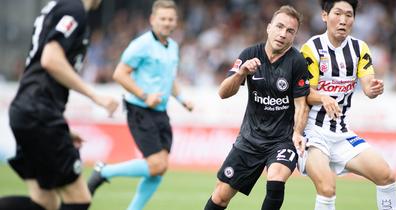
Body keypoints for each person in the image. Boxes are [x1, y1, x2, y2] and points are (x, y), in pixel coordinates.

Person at [0, 0, 118, 210]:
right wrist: (95, 96)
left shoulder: (58, 6)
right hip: (38, 111)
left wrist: (60, 127)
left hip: (28, 110)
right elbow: (50, 59)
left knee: (46, 203)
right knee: (79, 199)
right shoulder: (74, 10)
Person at [87, 1, 193, 210]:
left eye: (170, 19)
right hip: (140, 109)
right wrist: (144, 96)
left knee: (159, 169)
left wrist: (182, 100)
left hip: (160, 112)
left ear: (175, 22)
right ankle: (104, 171)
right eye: (162, 18)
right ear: (152, 20)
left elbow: (169, 79)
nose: (166, 22)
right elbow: (119, 73)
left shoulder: (173, 47)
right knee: (156, 164)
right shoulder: (141, 44)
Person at [203, 5, 310, 210]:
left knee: (276, 179)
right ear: (269, 28)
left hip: (281, 141)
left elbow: (301, 106)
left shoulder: (297, 62)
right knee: (220, 197)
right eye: (279, 27)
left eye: (290, 31)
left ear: (294, 35)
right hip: (250, 140)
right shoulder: (250, 54)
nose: (283, 34)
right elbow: (223, 93)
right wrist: (241, 72)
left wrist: (297, 132)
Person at [298, 0, 396, 210]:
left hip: (341, 133)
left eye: (349, 15)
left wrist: (373, 89)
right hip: (313, 133)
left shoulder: (359, 48)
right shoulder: (312, 48)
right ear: (324, 16)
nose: (343, 20)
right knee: (327, 188)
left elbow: (368, 85)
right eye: (338, 13)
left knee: (386, 176)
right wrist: (324, 98)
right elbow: (304, 92)